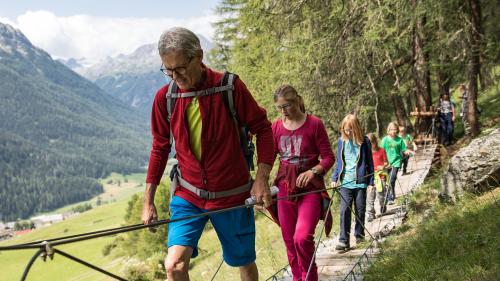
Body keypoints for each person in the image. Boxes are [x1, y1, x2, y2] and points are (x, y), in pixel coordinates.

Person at [141, 27, 274, 281]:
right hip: (187, 194)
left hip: (232, 195)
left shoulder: (229, 87)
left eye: (179, 68)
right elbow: (159, 147)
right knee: (174, 265)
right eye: (167, 70)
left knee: (244, 262)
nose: (174, 76)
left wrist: (262, 178)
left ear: (199, 56)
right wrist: (148, 201)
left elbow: (263, 129)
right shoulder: (165, 98)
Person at [271, 85, 335, 281]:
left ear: (298, 100)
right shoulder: (276, 127)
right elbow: (267, 157)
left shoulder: (314, 124)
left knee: (302, 238)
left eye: (287, 105)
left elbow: (328, 157)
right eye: (279, 107)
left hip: (310, 190)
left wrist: (313, 170)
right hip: (285, 188)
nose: (283, 111)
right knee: (289, 242)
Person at [331, 114, 374, 251]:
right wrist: (334, 178)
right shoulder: (341, 142)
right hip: (345, 182)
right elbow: (339, 162)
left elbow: (370, 163)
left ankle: (360, 236)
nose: (348, 133)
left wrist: (371, 182)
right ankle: (344, 240)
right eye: (345, 130)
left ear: (356, 129)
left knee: (360, 210)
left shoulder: (365, 142)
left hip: (360, 182)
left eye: (350, 130)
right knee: (344, 211)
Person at [381, 122, 413, 205]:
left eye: (395, 129)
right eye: (392, 129)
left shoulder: (400, 140)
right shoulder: (385, 140)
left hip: (396, 162)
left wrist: (408, 151)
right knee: (385, 181)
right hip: (386, 163)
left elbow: (404, 150)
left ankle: (391, 197)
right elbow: (381, 152)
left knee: (392, 178)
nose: (394, 131)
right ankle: (390, 195)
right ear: (389, 130)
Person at [365, 133, 389, 222]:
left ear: (375, 142)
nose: (371, 145)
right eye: (368, 143)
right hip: (371, 177)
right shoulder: (366, 154)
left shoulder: (381, 151)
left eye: (372, 143)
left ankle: (383, 205)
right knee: (370, 196)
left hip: (380, 175)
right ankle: (371, 213)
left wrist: (383, 166)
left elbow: (387, 163)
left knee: (381, 195)